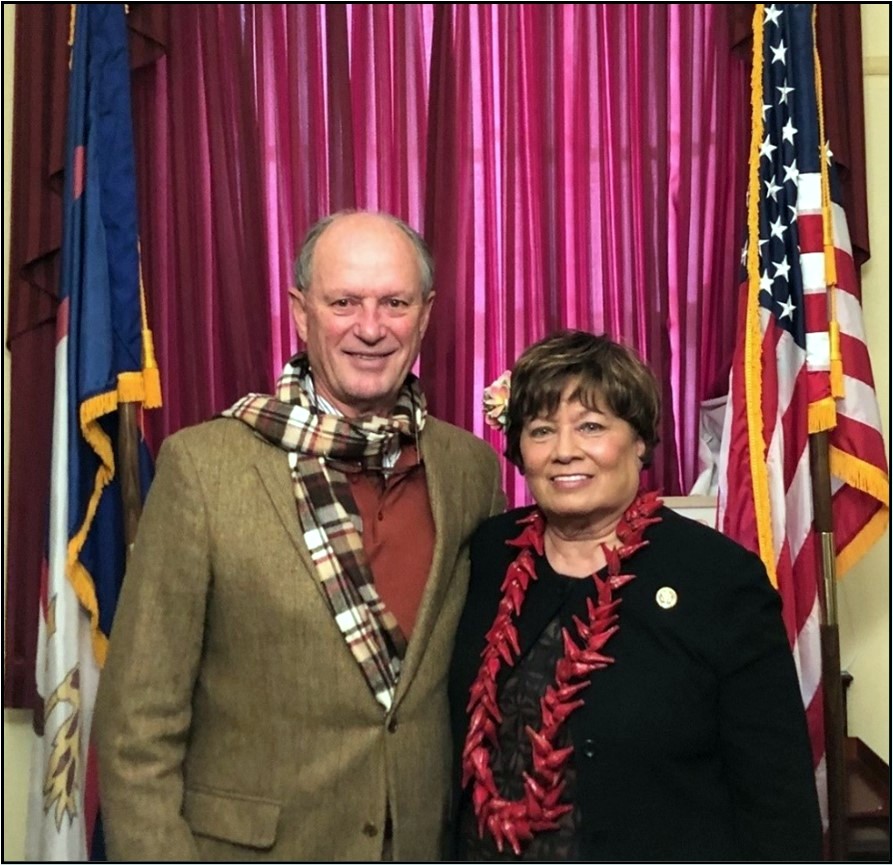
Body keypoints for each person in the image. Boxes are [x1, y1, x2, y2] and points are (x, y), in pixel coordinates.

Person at [94, 211, 505, 861]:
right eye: (343, 302)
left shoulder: (469, 471)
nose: (370, 328)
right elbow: (134, 732)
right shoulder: (204, 468)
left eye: (394, 303)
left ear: (424, 316)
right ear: (300, 311)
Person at [449, 330, 823, 861]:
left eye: (592, 426)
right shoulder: (489, 554)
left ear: (640, 440)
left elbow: (776, 796)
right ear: (518, 450)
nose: (564, 451)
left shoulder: (718, 578)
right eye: (540, 430)